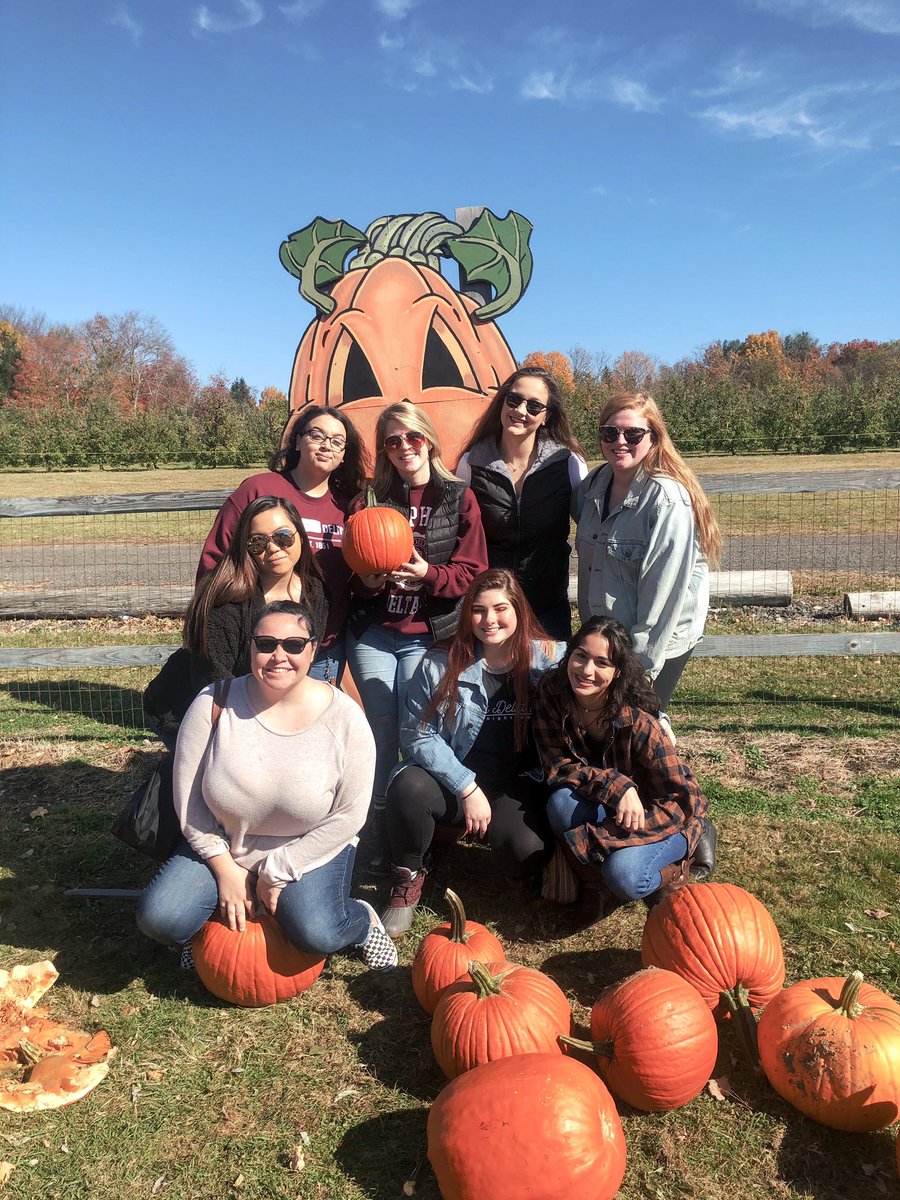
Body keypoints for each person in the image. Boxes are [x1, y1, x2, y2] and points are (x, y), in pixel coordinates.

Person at [136, 600, 398, 972]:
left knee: (316, 932)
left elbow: (351, 814)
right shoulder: (214, 703)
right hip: (226, 842)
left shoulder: (345, 717)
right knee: (160, 918)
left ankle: (359, 923)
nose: (279, 655)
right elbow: (190, 802)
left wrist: (278, 870)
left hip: (307, 847)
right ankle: (209, 925)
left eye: (293, 645)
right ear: (252, 647)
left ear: (312, 649)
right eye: (266, 644)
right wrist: (225, 868)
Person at [346, 400, 488, 870]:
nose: (404, 447)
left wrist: (429, 574)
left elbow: (473, 572)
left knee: (417, 732)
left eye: (412, 437)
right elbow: (351, 573)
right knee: (381, 733)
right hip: (375, 633)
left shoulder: (458, 497)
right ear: (385, 451)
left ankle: (419, 831)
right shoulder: (369, 501)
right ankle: (377, 827)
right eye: (392, 440)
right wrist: (367, 580)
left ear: (428, 439)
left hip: (426, 636)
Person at [380, 569, 562, 936]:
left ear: (519, 611)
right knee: (409, 786)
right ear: (467, 615)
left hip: (514, 783)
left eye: (500, 608)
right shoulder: (440, 662)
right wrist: (466, 785)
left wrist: (656, 716)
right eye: (478, 610)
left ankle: (511, 854)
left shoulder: (547, 661)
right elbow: (415, 733)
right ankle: (409, 873)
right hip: (455, 779)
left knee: (526, 850)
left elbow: (602, 676)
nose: (489, 620)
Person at [533, 616, 715, 916]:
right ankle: (596, 884)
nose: (586, 670)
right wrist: (617, 785)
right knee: (561, 803)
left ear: (617, 672)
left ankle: (676, 865)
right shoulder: (554, 693)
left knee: (625, 876)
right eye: (580, 656)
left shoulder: (640, 724)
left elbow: (683, 801)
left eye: (601, 663)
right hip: (612, 804)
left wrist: (598, 839)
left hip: (663, 814)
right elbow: (556, 766)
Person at [197, 405, 370, 684]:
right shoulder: (258, 490)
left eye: (337, 441)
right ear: (299, 440)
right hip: (258, 646)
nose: (327, 445)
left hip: (321, 648)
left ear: (343, 455)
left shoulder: (349, 508)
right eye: (317, 435)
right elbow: (215, 562)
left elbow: (354, 579)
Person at [572, 391, 721, 712]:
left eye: (633, 433)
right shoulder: (593, 486)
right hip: (606, 640)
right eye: (609, 433)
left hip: (654, 643)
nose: (620, 441)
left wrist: (637, 670)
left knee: (637, 728)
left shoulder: (666, 500)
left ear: (654, 437)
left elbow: (662, 598)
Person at [144, 496, 329, 742]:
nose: (273, 548)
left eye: (283, 537)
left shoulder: (316, 593)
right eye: (257, 542)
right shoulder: (229, 598)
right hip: (198, 703)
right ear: (245, 546)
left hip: (256, 703)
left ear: (300, 536)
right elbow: (216, 679)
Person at [456, 367, 587, 640]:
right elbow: (459, 534)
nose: (521, 410)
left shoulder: (566, 464)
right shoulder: (473, 463)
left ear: (546, 417)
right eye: (514, 400)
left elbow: (592, 526)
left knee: (548, 682)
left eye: (534, 405)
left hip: (547, 607)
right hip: (491, 609)